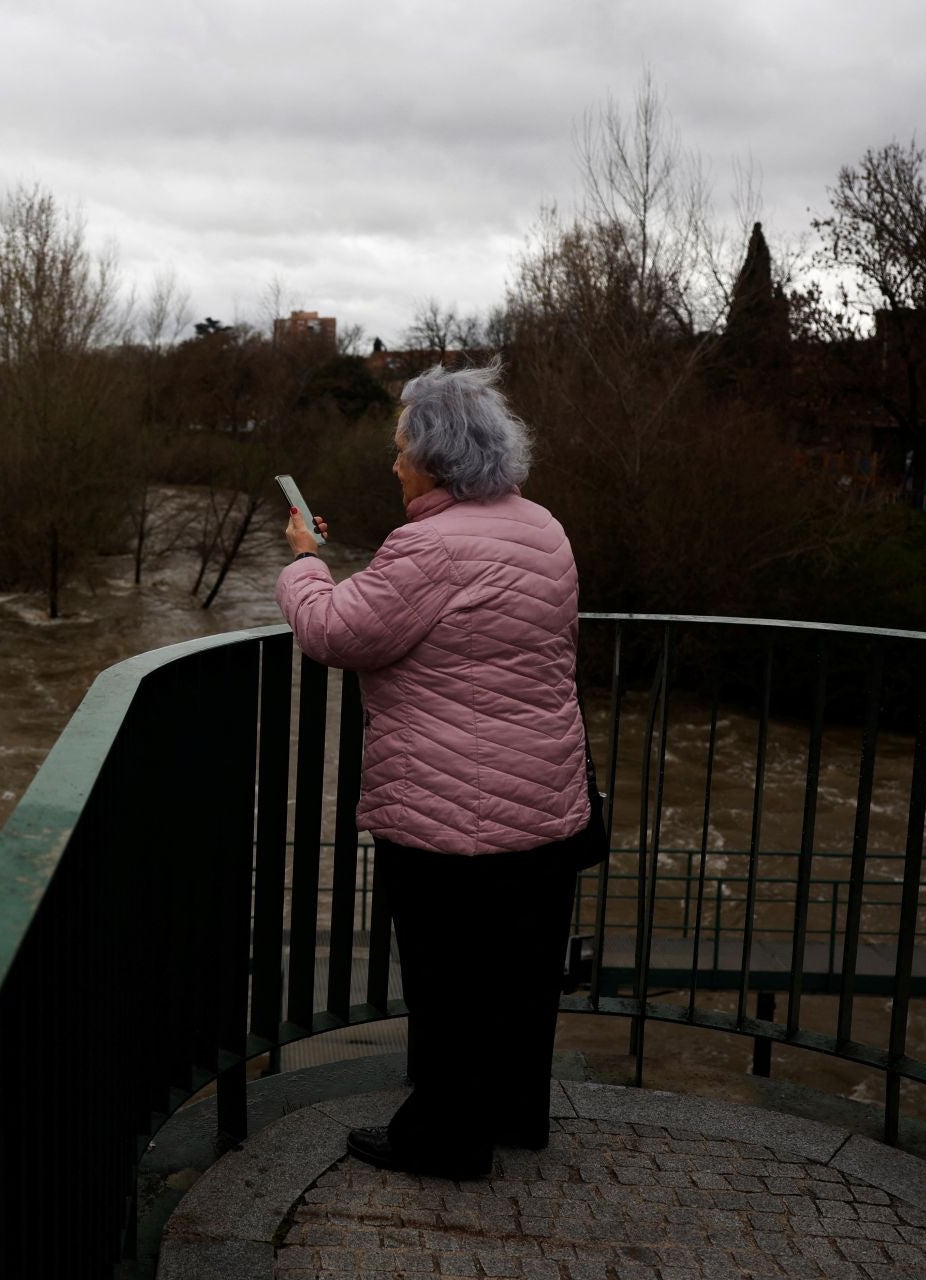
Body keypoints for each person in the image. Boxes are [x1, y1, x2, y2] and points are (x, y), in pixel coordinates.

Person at [275, 360, 589, 1181]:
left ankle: (446, 1141)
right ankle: (517, 1116)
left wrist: (306, 559)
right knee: (520, 977)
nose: (393, 461)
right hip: (547, 803)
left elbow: (337, 632)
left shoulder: (427, 548)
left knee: (449, 984)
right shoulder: (545, 528)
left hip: (452, 815)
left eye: (401, 445)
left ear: (438, 456)